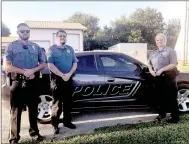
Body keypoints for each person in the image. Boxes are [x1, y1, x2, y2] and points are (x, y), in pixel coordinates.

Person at [3, 23, 46, 144]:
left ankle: (35, 134)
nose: (25, 33)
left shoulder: (35, 47)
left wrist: (33, 70)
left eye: (27, 31)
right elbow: (6, 65)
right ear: (17, 32)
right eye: (22, 31)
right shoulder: (11, 46)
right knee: (16, 111)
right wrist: (23, 72)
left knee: (33, 109)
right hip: (17, 82)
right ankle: (14, 138)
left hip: (33, 82)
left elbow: (43, 64)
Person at [47, 29, 78, 134]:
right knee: (57, 104)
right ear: (56, 37)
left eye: (64, 36)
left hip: (68, 79)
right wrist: (62, 75)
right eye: (60, 36)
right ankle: (55, 125)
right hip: (57, 80)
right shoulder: (52, 49)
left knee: (68, 102)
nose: (62, 38)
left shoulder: (70, 49)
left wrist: (68, 75)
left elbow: (75, 63)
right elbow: (50, 65)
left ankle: (67, 122)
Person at [148, 33, 180, 123]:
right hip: (158, 78)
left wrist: (162, 69)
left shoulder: (170, 51)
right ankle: (162, 115)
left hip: (169, 77)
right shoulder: (153, 52)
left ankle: (175, 118)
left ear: (165, 40)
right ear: (155, 41)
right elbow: (149, 63)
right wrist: (151, 70)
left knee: (171, 98)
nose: (159, 42)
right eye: (157, 40)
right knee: (159, 98)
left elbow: (173, 64)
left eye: (161, 40)